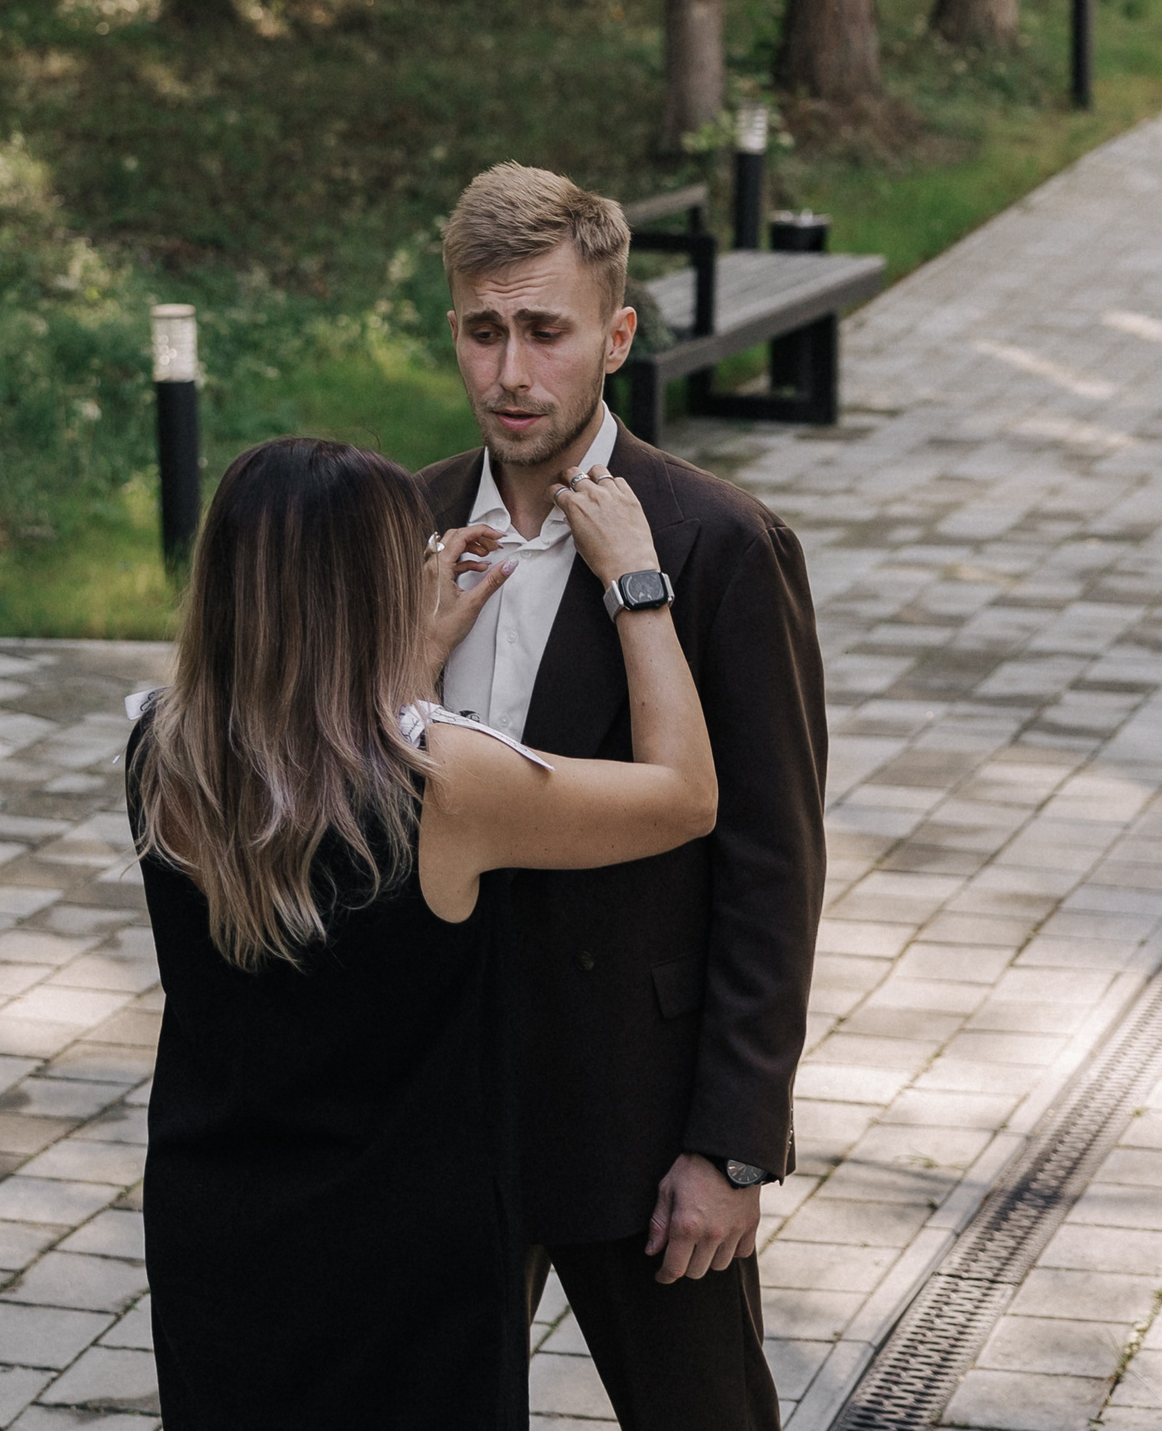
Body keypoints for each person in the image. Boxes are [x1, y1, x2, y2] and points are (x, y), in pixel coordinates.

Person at [124, 435, 718, 1428]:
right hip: (399, 1256)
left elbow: (303, 764)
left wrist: (411, 666)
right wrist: (637, 586)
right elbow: (685, 795)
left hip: (217, 1227)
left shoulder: (160, 750)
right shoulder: (445, 786)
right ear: (365, 592)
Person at [417, 162, 826, 1431]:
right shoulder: (405, 521)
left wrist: (731, 1144)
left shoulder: (715, 543)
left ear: (616, 335)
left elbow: (772, 863)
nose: (511, 374)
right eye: (484, 333)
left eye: (545, 332)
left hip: (641, 1115)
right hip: (439, 1098)